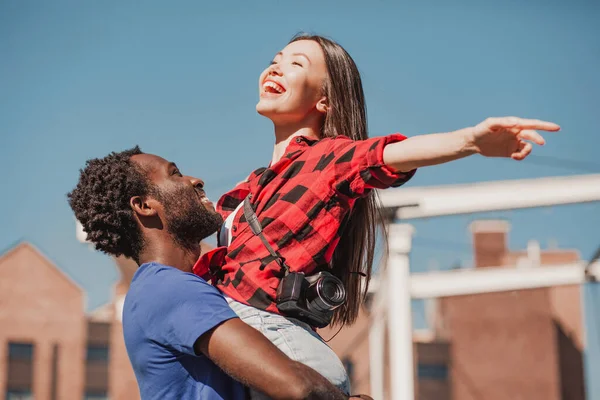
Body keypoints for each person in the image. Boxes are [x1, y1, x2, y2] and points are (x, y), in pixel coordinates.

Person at [195, 33, 561, 394]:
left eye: (295, 64)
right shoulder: (247, 189)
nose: (275, 68)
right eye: (275, 60)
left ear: (325, 101)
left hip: (279, 344)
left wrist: (471, 141)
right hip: (243, 338)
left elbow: (390, 155)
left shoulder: (330, 157)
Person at [67, 147, 369, 400]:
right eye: (175, 173)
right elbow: (295, 385)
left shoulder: (168, 289)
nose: (195, 180)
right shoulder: (167, 288)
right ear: (145, 205)